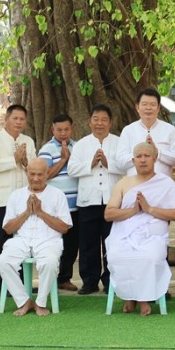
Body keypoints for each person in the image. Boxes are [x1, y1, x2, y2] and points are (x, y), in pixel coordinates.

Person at [105, 142, 175, 316]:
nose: (143, 160)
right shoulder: (123, 183)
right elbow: (109, 214)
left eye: (147, 156)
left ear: (155, 159)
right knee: (115, 256)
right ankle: (129, 296)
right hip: (125, 235)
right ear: (133, 161)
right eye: (139, 156)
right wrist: (133, 211)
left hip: (153, 236)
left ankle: (143, 299)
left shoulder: (165, 183)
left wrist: (149, 209)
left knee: (148, 257)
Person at [0, 158, 72, 316]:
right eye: (32, 174)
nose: (35, 178)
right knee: (2, 262)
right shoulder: (16, 195)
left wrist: (40, 212)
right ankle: (24, 301)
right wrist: (27, 212)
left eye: (40, 174)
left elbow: (64, 228)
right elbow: (8, 229)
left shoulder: (57, 195)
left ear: (47, 174)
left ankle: (40, 302)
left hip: (48, 240)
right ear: (27, 173)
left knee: (50, 262)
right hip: (21, 240)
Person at [67, 104, 123, 295]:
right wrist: (90, 163)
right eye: (96, 119)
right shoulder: (81, 144)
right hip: (88, 201)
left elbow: (126, 166)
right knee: (88, 243)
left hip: (112, 202)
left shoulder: (119, 142)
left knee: (111, 242)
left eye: (104, 120)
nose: (100, 123)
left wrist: (108, 163)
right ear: (89, 122)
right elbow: (72, 169)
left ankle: (110, 280)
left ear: (110, 122)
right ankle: (89, 281)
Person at [0, 104, 36, 289]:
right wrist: (13, 160)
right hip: (2, 198)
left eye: (22, 119)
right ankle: (2, 282)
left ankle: (22, 282)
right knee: (4, 239)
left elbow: (34, 168)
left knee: (23, 240)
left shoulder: (28, 141)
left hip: (24, 199)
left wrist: (25, 161)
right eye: (15, 118)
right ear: (6, 119)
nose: (19, 122)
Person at [38, 114, 79, 292]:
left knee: (72, 244)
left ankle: (64, 278)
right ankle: (50, 278)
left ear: (72, 129)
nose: (63, 133)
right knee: (53, 243)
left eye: (66, 129)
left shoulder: (78, 147)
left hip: (76, 204)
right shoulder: (46, 149)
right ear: (52, 130)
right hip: (54, 208)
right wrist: (63, 159)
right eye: (59, 130)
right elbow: (44, 174)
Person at [116, 88, 175, 176]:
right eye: (144, 104)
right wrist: (139, 154)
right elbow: (120, 163)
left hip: (161, 183)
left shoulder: (170, 130)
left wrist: (158, 152)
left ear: (158, 108)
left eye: (153, 104)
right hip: (135, 183)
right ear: (137, 107)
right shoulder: (128, 130)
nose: (148, 108)